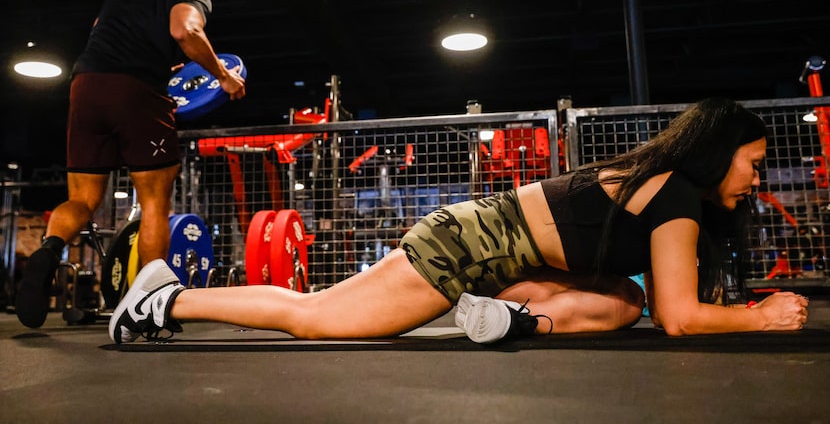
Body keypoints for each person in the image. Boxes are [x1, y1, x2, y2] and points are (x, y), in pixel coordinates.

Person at [108, 98, 809, 344]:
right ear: (718, 155)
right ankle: (166, 299)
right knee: (315, 315)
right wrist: (762, 315)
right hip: (464, 249)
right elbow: (682, 318)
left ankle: (517, 322)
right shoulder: (676, 194)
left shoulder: (669, 188)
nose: (754, 179)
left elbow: (658, 303)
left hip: (505, 264)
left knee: (623, 301)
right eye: (751, 162)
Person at [16, 0, 246, 328]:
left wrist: (158, 60)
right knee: (155, 201)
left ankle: (50, 252)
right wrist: (223, 76)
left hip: (86, 84)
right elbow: (185, 32)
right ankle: (149, 303)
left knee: (83, 200)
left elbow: (104, 32)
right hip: (137, 91)